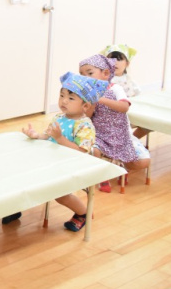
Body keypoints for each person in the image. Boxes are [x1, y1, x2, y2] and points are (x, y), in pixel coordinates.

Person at [17, 72, 109, 232]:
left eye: (71, 98)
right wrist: (36, 135)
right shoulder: (59, 117)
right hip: (53, 161)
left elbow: (81, 152)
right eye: (62, 96)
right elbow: (48, 135)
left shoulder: (85, 125)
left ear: (85, 106)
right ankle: (14, 207)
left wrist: (59, 138)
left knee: (60, 194)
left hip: (71, 166)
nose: (64, 101)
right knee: (24, 174)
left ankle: (83, 213)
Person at [79, 54, 150, 193]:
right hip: (99, 135)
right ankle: (101, 175)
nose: (85, 77)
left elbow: (124, 107)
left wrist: (100, 99)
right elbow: (86, 117)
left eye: (90, 73)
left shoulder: (115, 88)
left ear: (105, 74)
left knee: (143, 161)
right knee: (93, 151)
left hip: (121, 135)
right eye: (82, 74)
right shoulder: (86, 93)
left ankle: (121, 166)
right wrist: (91, 103)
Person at [101, 43, 149, 140]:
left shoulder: (131, 82)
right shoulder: (103, 81)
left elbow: (140, 98)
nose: (115, 62)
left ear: (127, 63)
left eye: (119, 59)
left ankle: (131, 140)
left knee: (149, 123)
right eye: (111, 59)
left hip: (131, 114)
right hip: (111, 117)